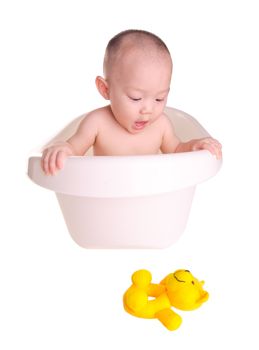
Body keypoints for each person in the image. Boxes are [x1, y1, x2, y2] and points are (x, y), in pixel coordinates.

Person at [42, 29, 222, 175]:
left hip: (147, 196)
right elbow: (74, 149)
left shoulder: (161, 125)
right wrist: (62, 149)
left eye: (160, 98)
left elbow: (176, 150)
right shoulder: (97, 123)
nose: (148, 109)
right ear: (106, 89)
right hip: (105, 196)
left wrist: (193, 146)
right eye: (136, 98)